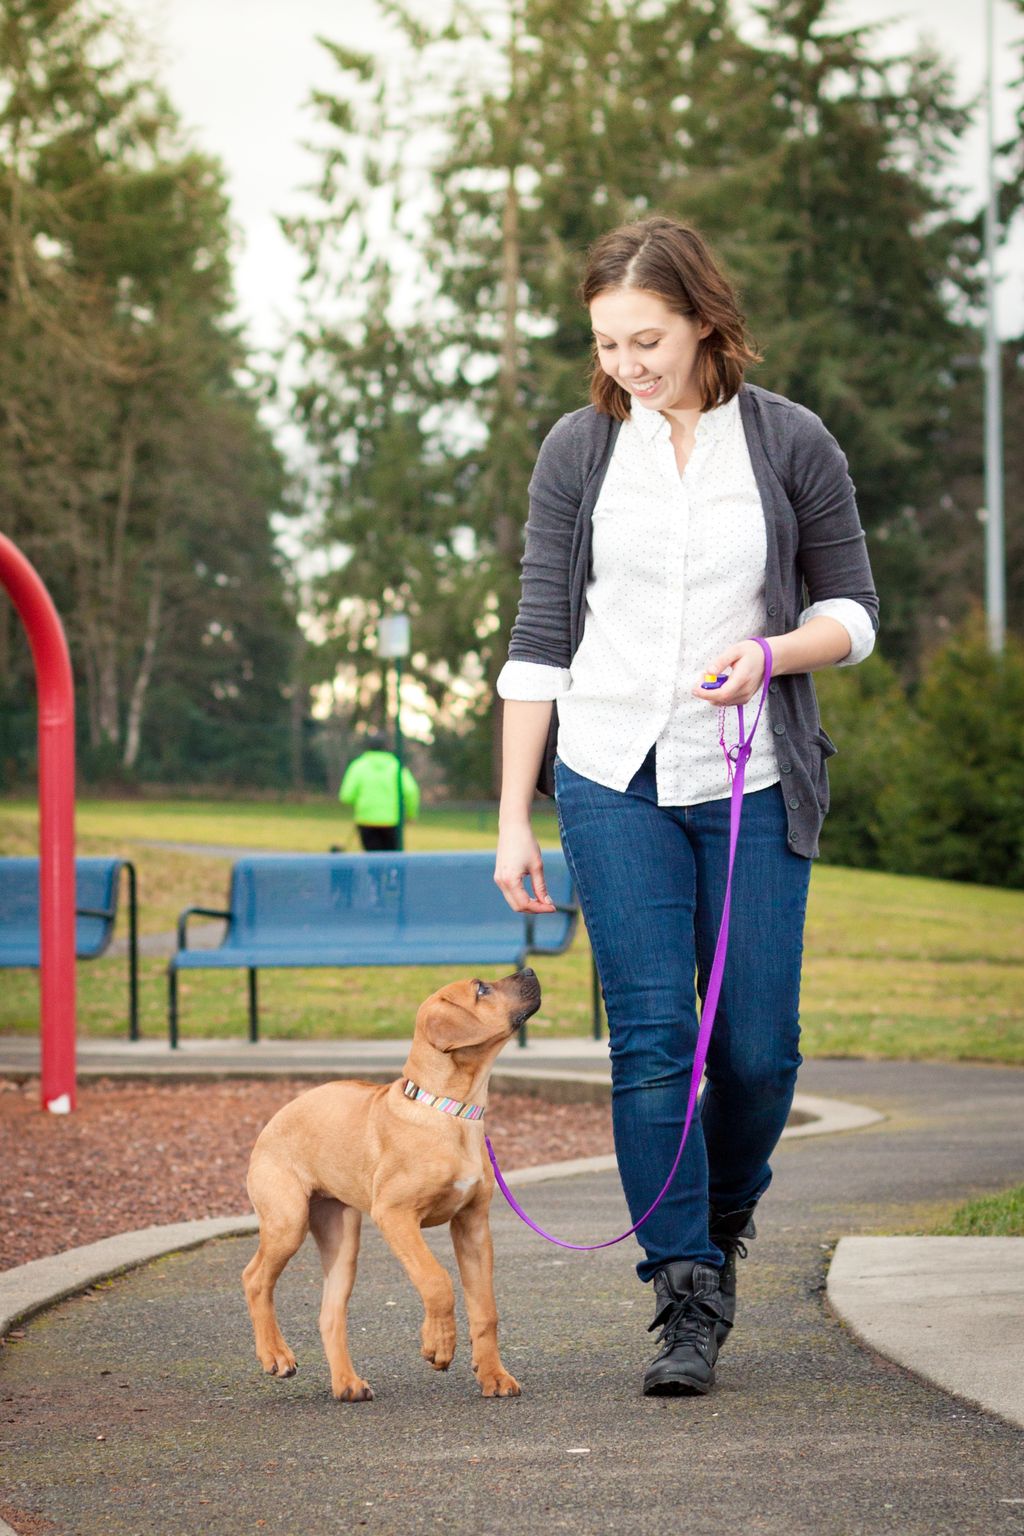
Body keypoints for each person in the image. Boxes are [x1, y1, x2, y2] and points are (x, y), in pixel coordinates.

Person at [493, 216, 878, 1398]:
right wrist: (514, 813)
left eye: (646, 338)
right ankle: (685, 1290)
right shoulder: (577, 449)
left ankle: (714, 1215)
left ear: (705, 319)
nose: (627, 364)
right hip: (610, 775)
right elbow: (539, 641)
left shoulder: (788, 441)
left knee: (758, 1053)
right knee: (655, 1040)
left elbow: (854, 616)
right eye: (607, 343)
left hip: (753, 774)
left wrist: (771, 655)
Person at [338, 732, 420, 852]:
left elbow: (346, 796)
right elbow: (411, 791)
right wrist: (411, 814)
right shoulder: (396, 766)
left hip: (366, 820)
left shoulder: (358, 766)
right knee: (393, 862)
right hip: (393, 821)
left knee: (373, 862)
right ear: (386, 747)